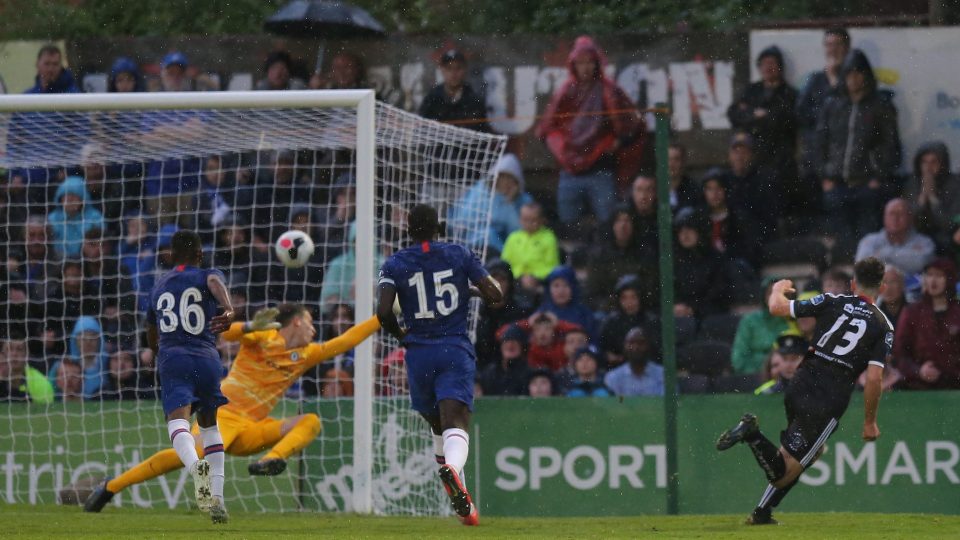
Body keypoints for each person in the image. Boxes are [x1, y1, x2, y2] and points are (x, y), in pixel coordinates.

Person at [84, 304, 381, 512]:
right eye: (312, 324)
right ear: (298, 322)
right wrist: (251, 325)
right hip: (223, 416)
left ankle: (272, 460)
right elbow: (227, 333)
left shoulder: (306, 354)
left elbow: (348, 339)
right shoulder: (264, 336)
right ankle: (110, 488)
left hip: (251, 430)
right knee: (189, 456)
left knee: (311, 421)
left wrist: (383, 316)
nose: (315, 331)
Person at [716, 257, 892, 525]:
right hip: (828, 396)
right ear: (883, 286)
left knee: (810, 453)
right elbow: (875, 379)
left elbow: (777, 307)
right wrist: (870, 422)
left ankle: (762, 512)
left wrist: (778, 288)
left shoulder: (832, 300)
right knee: (782, 472)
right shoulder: (882, 326)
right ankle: (752, 434)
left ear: (854, 284)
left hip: (801, 380)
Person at [376, 204, 503, 526]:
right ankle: (453, 470)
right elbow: (496, 294)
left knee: (437, 425)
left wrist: (401, 335)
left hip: (417, 353)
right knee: (456, 422)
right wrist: (473, 291)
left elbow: (383, 313)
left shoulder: (395, 262)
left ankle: (461, 502)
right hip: (453, 348)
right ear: (440, 227)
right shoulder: (459, 254)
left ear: (408, 231)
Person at [144, 230, 234, 523]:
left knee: (178, 422)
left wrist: (161, 355)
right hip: (207, 357)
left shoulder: (159, 287)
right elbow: (213, 282)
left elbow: (152, 335)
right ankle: (217, 500)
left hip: (174, 356)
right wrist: (228, 307)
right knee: (209, 425)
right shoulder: (207, 274)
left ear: (171, 255)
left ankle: (196, 467)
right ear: (199, 254)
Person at [536, 36, 641, 231]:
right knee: (569, 227)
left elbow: (632, 124)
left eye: (589, 62)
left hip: (601, 169)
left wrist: (619, 141)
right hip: (570, 171)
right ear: (573, 64)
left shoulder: (609, 90)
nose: (585, 67)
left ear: (597, 63)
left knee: (608, 225)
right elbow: (547, 129)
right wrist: (563, 151)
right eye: (580, 63)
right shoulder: (565, 91)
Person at [817, 49, 902, 241]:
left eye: (858, 73)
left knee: (868, 242)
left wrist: (878, 178)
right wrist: (825, 177)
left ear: (866, 75)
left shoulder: (881, 105)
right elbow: (820, 143)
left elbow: (891, 145)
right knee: (841, 243)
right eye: (848, 73)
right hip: (836, 185)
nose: (853, 79)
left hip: (867, 186)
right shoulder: (832, 105)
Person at [726, 46, 798, 199]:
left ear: (780, 67)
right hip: (751, 161)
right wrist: (753, 115)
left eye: (772, 63)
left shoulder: (790, 94)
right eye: (764, 63)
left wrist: (763, 115)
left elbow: (788, 120)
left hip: (779, 162)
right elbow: (733, 114)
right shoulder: (752, 90)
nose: (768, 67)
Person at [893, 258, 960, 390]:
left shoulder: (958, 311)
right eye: (929, 275)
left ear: (950, 279)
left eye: (939, 275)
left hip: (955, 386)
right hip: (918, 387)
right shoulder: (912, 312)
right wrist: (919, 371)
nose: (933, 281)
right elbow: (900, 353)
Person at [447, 153, 533, 254]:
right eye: (502, 176)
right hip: (473, 244)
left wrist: (509, 203)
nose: (506, 182)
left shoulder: (524, 200)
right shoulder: (480, 191)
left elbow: (521, 233)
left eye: (510, 177)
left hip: (507, 249)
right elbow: (463, 220)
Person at [796, 28, 850, 182]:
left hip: (843, 164)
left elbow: (845, 114)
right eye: (829, 44)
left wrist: (833, 80)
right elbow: (800, 113)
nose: (833, 49)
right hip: (814, 161)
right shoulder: (814, 79)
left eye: (838, 44)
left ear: (847, 48)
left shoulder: (854, 79)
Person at [855, 198, 935, 277]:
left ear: (910, 217)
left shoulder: (925, 242)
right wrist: (906, 257)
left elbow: (920, 264)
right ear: (884, 217)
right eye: (891, 214)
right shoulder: (869, 240)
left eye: (900, 214)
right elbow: (862, 267)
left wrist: (882, 254)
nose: (895, 218)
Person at [902, 142, 960, 245]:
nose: (928, 167)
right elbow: (908, 223)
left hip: (946, 239)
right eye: (924, 162)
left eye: (934, 162)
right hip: (915, 239)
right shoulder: (913, 184)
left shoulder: (955, 184)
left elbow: (950, 225)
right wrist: (922, 198)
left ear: (942, 164)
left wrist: (933, 199)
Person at [418, 49, 489, 132]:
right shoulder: (431, 99)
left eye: (458, 68)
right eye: (449, 68)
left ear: (465, 70)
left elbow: (480, 133)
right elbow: (423, 129)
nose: (453, 73)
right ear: (442, 70)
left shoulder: (475, 101)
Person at [731, 278, 791, 375]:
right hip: (752, 376)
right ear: (763, 296)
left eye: (779, 293)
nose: (775, 297)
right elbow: (738, 360)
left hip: (785, 376)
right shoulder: (749, 321)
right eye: (770, 293)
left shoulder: (793, 321)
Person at [500, 202, 559, 290]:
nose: (529, 223)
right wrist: (518, 276)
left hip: (539, 282)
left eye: (533, 220)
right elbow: (504, 263)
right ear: (520, 219)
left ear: (542, 220)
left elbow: (553, 267)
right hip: (514, 280)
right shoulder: (513, 237)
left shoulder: (549, 238)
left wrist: (535, 277)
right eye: (525, 219)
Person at [47, 176, 105, 258]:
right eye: (66, 196)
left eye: (74, 196)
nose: (69, 200)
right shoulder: (52, 219)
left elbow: (100, 244)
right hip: (58, 261)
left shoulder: (95, 217)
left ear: (83, 198)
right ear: (60, 199)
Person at [603, 327, 664, 397]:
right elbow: (613, 406)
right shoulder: (613, 377)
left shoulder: (663, 375)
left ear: (648, 345)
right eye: (631, 343)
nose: (635, 348)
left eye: (640, 343)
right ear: (624, 346)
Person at [0, 331, 54, 403]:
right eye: (9, 349)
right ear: (2, 354)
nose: (14, 354)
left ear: (27, 354)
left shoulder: (42, 385)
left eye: (19, 349)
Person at [480, 324, 531, 396]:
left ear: (522, 346)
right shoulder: (489, 372)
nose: (510, 345)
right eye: (506, 341)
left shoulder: (529, 373)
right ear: (500, 346)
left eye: (514, 341)